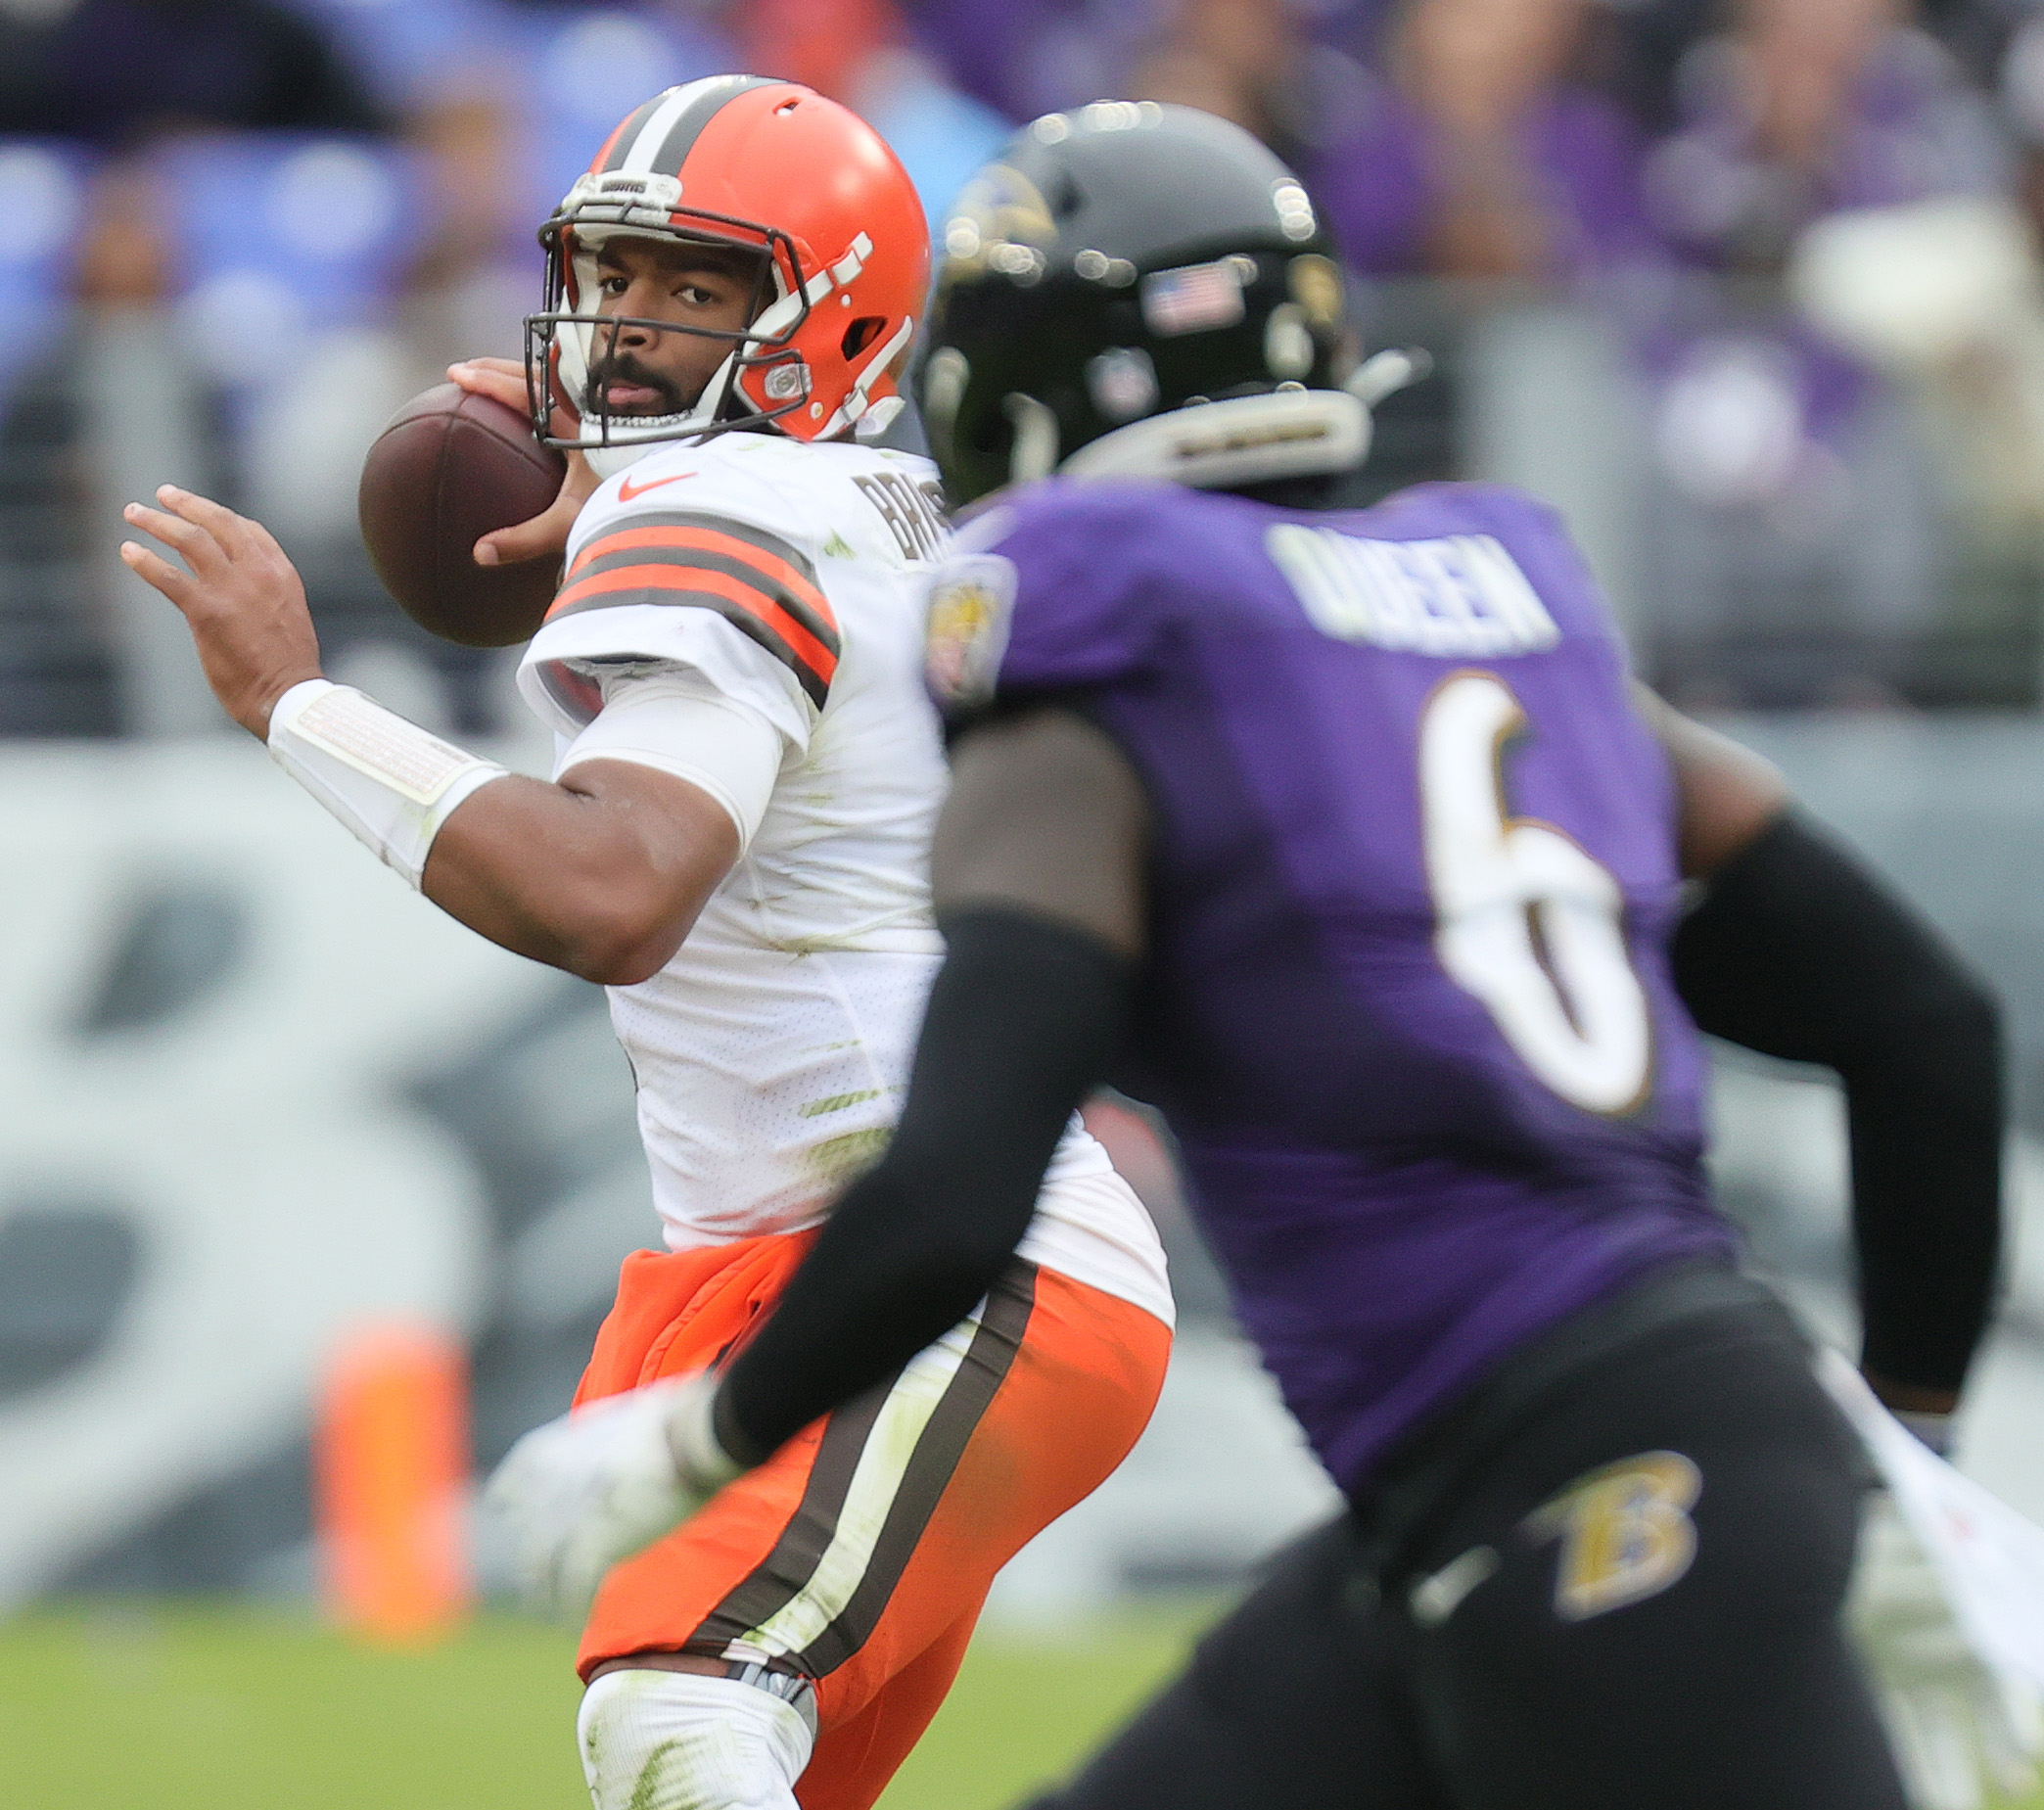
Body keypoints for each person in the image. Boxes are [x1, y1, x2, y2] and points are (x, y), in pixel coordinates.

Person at [482, 104, 2027, 1808]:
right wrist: (1912, 1440)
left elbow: (950, 1199)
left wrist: (701, 1436)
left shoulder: (1101, 641)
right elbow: (1926, 1028)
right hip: (1563, 1461)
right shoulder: (1499, 601)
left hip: (1598, 1491)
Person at [116, 75, 1174, 1810]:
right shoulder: (871, 504)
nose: (625, 330)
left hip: (954, 1277)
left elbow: (615, 891)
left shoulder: (737, 514)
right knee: (723, 1750)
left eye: (695, 289)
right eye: (611, 278)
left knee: (682, 1702)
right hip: (867, 1266)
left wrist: (294, 700)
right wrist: (621, 506)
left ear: (831, 322)